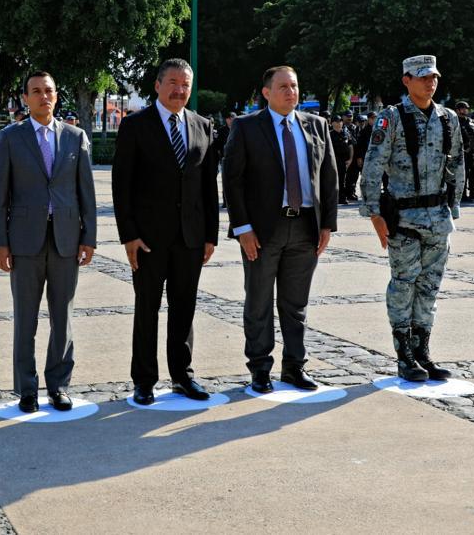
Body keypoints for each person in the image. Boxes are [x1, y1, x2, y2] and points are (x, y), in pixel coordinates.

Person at [223, 66, 337, 394]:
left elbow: (328, 176)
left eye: (295, 86)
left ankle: (294, 367)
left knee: (295, 303)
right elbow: (233, 180)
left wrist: (327, 223)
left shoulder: (316, 126)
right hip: (261, 230)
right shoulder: (247, 128)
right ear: (267, 92)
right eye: (283, 87)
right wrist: (242, 227)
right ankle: (260, 368)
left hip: (305, 227)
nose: (291, 92)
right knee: (258, 301)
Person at [0, 71, 97, 413]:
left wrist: (89, 237)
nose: (43, 96)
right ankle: (26, 389)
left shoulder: (75, 137)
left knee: (62, 317)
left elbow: (86, 193)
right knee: (26, 318)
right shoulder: (10, 137)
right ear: (25, 98)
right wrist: (0, 242)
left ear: (55, 94)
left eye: (48, 90)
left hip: (66, 239)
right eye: (36, 92)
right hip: (23, 241)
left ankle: (59, 386)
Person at [113, 59, 218, 405]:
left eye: (185, 84)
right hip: (147, 238)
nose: (179, 90)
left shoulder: (203, 126)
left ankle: (182, 376)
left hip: (190, 237)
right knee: (147, 308)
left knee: (184, 307)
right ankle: (144, 380)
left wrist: (210, 236)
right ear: (157, 85)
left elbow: (208, 187)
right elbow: (121, 185)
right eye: (173, 82)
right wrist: (128, 234)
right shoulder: (135, 126)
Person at [359, 55, 463, 383]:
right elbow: (373, 167)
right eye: (422, 78)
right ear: (406, 80)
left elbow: (457, 163)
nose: (429, 83)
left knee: (429, 288)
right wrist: (374, 214)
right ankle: (404, 356)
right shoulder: (392, 118)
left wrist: (454, 207)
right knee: (404, 285)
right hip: (404, 219)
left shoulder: (447, 118)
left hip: (438, 218)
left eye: (433, 77)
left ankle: (423, 353)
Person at [454, 102, 474, 202]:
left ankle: (466, 195)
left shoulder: (471, 121)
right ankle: (458, 195)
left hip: (470, 152)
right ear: (457, 110)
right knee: (458, 175)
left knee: (468, 174)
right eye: (462, 109)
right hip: (457, 152)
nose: (465, 110)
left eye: (466, 109)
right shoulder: (453, 121)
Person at [330, 115, 354, 205]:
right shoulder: (329, 134)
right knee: (333, 181)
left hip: (344, 161)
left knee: (342, 180)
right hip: (334, 161)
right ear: (332, 123)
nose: (339, 123)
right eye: (336, 121)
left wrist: (351, 159)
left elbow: (351, 146)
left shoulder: (346, 133)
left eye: (340, 121)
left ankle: (342, 198)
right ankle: (333, 198)